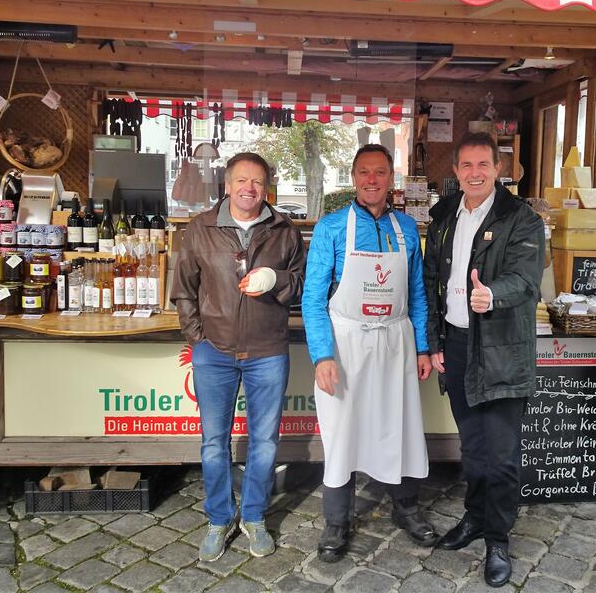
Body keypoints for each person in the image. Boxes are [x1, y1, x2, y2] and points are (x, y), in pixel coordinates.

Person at [302, 144, 438, 563]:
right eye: (364, 172)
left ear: (392, 179)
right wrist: (323, 355)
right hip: (347, 342)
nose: (372, 180)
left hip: (395, 339)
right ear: (354, 177)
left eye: (380, 172)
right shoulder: (330, 228)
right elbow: (312, 298)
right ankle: (337, 520)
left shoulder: (406, 229)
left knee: (399, 423)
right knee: (342, 430)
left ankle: (407, 508)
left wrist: (422, 347)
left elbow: (417, 292)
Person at [423, 132, 544, 588]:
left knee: (502, 454)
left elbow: (526, 280)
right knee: (471, 446)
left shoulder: (521, 218)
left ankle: (498, 538)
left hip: (501, 348)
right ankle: (474, 518)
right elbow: (433, 278)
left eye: (483, 165)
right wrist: (435, 341)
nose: (474, 172)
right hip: (455, 343)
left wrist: (491, 294)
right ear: (456, 171)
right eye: (466, 165)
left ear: (498, 170)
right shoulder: (444, 216)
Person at [171, 152, 305, 562]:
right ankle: (218, 518)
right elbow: (184, 289)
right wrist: (199, 339)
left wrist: (276, 279)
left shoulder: (284, 230)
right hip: (215, 352)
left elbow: (302, 285)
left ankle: (253, 517)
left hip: (267, 351)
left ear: (267, 188)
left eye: (258, 182)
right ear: (227, 185)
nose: (250, 188)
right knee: (214, 442)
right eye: (242, 180)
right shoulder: (201, 228)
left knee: (264, 441)